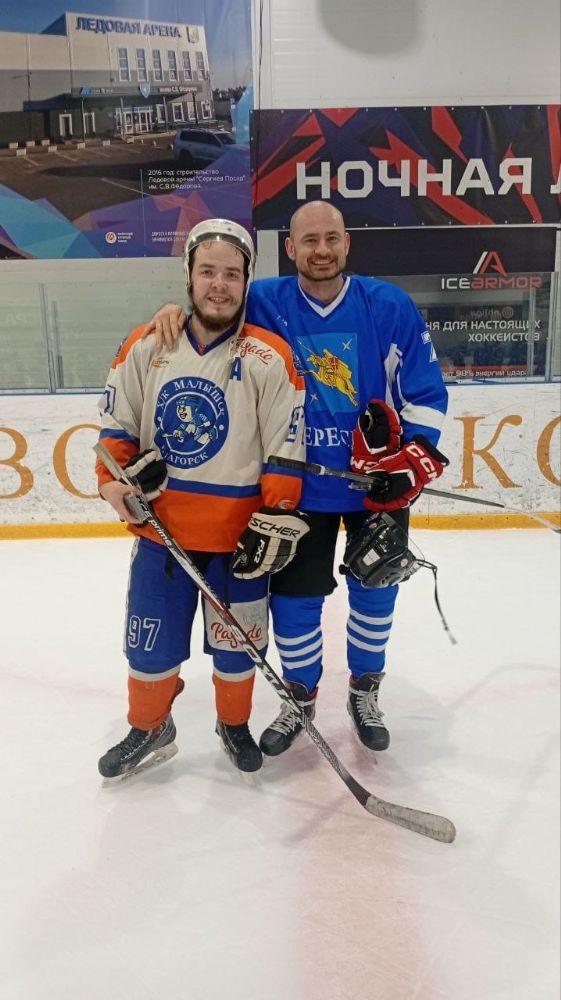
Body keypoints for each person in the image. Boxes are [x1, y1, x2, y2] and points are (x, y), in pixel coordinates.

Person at [145, 201, 448, 757]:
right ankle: (300, 696)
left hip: (374, 485)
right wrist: (174, 312)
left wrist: (408, 461)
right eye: (309, 240)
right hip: (298, 488)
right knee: (294, 604)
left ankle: (364, 690)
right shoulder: (264, 300)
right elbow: (212, 310)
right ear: (290, 248)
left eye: (332, 238)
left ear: (347, 243)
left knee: (375, 592)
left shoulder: (388, 305)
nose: (321, 250)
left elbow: (426, 393)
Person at [96, 218, 308, 780]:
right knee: (150, 648)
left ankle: (232, 725)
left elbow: (285, 448)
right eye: (208, 271)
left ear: (246, 281)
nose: (219, 284)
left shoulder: (270, 356)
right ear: (188, 276)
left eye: (232, 274)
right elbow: (116, 430)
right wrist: (113, 483)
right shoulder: (147, 344)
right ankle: (150, 727)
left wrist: (275, 517)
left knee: (239, 650)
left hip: (239, 545)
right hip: (161, 538)